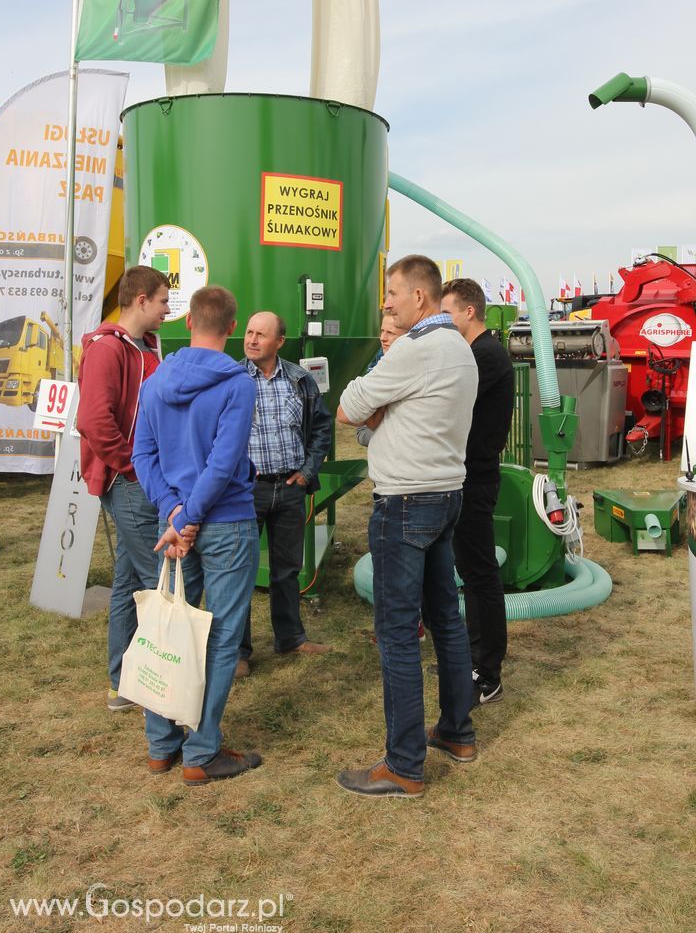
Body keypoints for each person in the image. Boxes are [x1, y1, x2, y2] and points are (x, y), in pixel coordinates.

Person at [336, 254, 479, 798]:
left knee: (397, 633)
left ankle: (403, 765)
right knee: (445, 618)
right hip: (446, 498)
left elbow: (349, 408)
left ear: (419, 297)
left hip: (404, 504)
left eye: (392, 294)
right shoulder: (458, 350)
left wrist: (380, 374)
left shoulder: (414, 351)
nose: (387, 304)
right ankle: (456, 732)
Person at [132, 285, 262, 786]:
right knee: (223, 636)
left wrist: (175, 513)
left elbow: (142, 456)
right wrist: (188, 516)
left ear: (187, 322)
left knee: (165, 628)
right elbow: (224, 462)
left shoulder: (156, 379)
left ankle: (161, 745)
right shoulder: (237, 383)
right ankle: (201, 753)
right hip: (225, 521)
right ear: (232, 328)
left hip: (177, 526)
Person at [77, 264, 170, 711]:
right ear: (141, 301)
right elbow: (94, 420)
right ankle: (165, 679)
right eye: (164, 301)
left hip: (140, 475)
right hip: (129, 479)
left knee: (128, 580)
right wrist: (132, 466)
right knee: (159, 582)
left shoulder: (145, 346)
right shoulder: (107, 349)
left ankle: (122, 682)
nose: (168, 310)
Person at [237, 311, 332, 662]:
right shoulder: (233, 379)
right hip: (248, 491)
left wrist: (307, 472)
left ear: (279, 342)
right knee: (240, 572)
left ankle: (290, 637)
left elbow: (322, 428)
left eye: (261, 334)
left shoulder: (299, 380)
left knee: (287, 569)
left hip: (290, 487)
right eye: (249, 332)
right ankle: (238, 652)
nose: (252, 339)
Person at [442, 278, 514, 705]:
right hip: (464, 475)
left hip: (475, 478)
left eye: (448, 313)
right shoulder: (477, 353)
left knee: (480, 574)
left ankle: (487, 672)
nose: (444, 323)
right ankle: (467, 657)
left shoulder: (483, 355)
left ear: (470, 311)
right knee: (468, 571)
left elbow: (447, 402)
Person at [356, 312, 406, 446]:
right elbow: (360, 428)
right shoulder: (375, 365)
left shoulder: (416, 369)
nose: (383, 338)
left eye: (390, 333)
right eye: (382, 331)